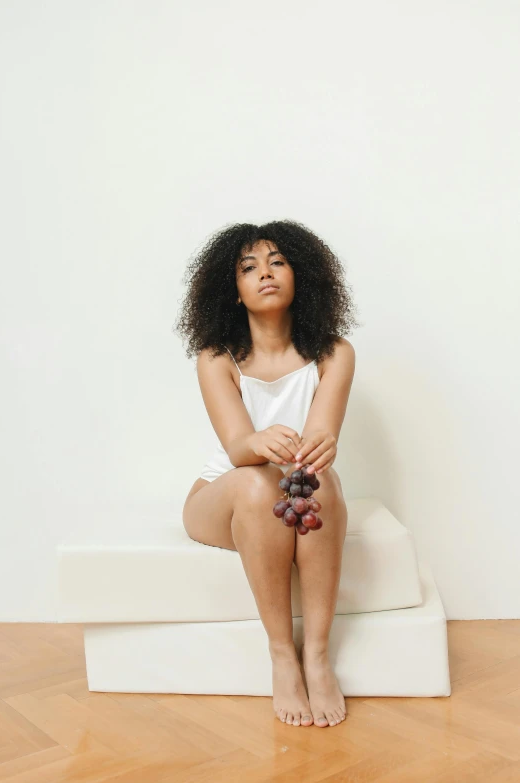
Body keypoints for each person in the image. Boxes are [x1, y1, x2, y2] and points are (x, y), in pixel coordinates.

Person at [174, 219, 360, 728]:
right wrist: (256, 442)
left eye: (278, 261)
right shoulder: (217, 358)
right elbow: (237, 448)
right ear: (231, 291)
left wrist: (318, 447)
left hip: (294, 491)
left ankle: (317, 656)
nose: (266, 273)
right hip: (222, 496)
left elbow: (320, 443)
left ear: (302, 276)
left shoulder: (334, 354)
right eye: (248, 267)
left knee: (320, 481)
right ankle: (282, 655)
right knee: (258, 482)